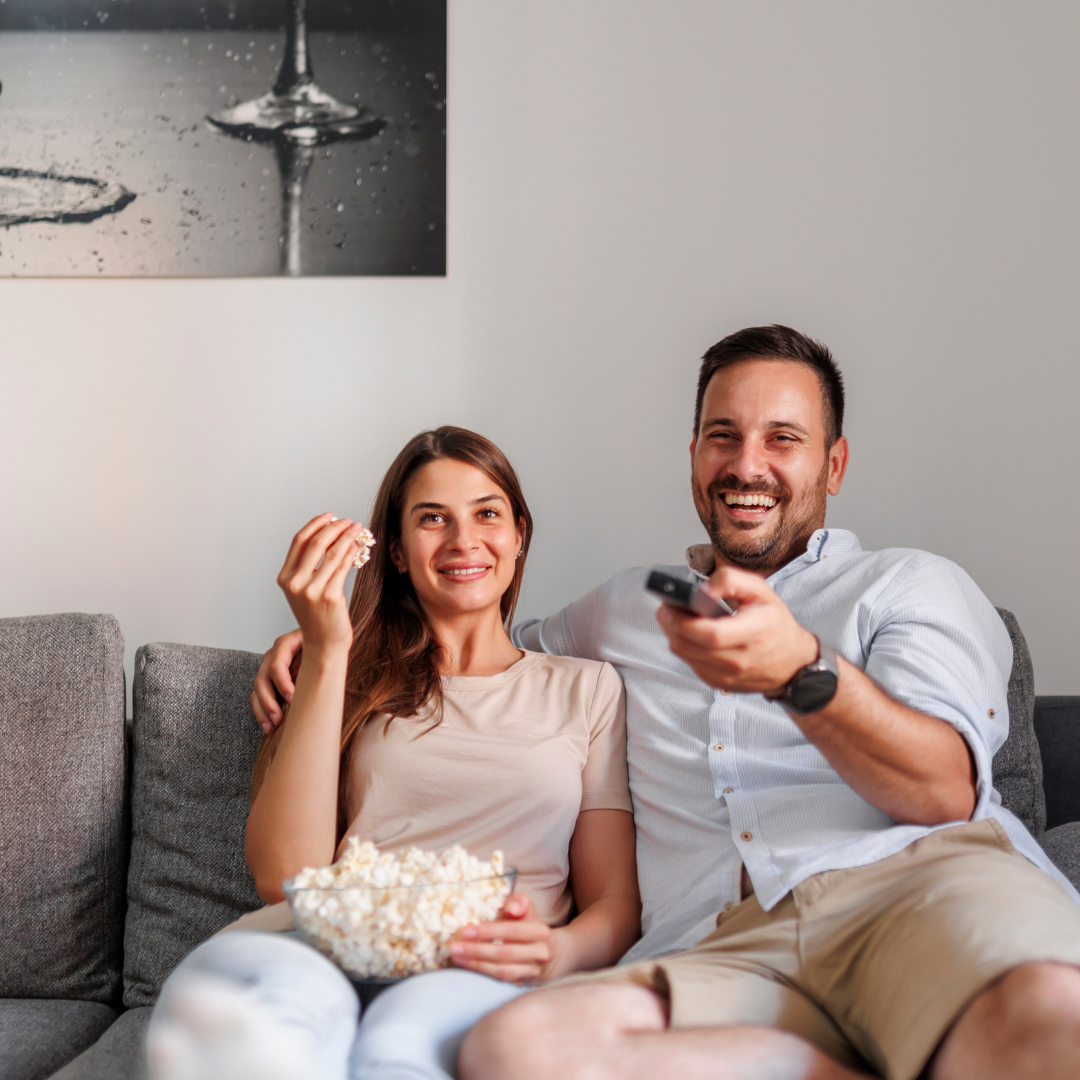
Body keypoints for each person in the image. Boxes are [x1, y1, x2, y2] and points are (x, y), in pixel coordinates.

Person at [256, 324, 1080, 1080]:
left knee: (1042, 1019)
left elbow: (943, 789)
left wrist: (799, 671)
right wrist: (331, 645)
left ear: (833, 465)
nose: (747, 465)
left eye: (783, 439)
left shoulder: (909, 585)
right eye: (723, 436)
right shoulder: (626, 608)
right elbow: (482, 642)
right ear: (693, 456)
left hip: (911, 894)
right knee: (515, 1049)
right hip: (718, 949)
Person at [146, 427, 640, 1080]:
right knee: (270, 1027)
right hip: (315, 945)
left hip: (475, 964)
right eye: (432, 519)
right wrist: (329, 650)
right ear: (399, 552)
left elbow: (615, 902)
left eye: (486, 514)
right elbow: (286, 875)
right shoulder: (337, 672)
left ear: (519, 534)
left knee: (403, 1048)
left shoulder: (587, 689)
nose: (463, 540)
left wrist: (556, 951)